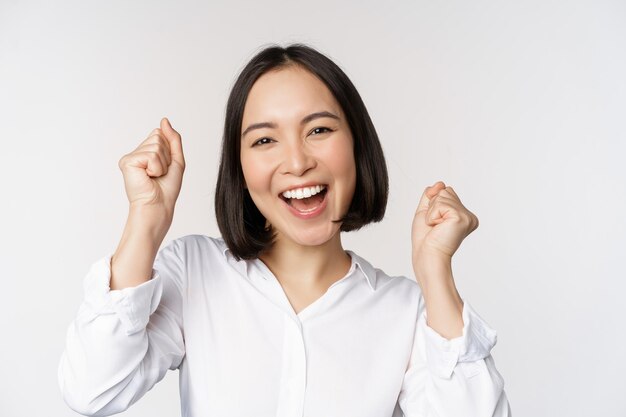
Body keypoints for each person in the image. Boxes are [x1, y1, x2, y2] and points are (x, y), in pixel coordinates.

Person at [58, 44, 511, 417]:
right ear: (240, 167)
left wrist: (435, 273)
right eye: (264, 140)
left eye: (318, 130)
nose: (297, 163)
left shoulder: (408, 312)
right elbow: (92, 389)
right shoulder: (194, 272)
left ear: (357, 143)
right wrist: (145, 219)